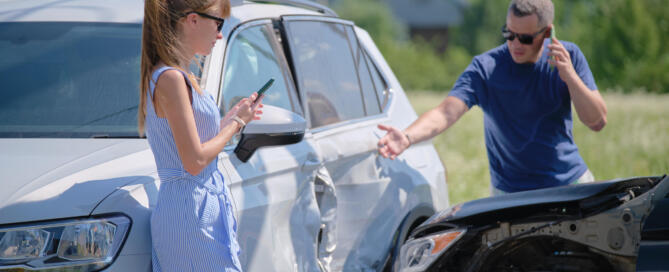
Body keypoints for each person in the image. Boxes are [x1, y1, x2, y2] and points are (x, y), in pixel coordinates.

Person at [377, 0, 607, 196]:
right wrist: (407, 137)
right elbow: (445, 113)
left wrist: (569, 76)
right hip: (510, 193)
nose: (515, 44)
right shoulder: (486, 68)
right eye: (509, 33)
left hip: (569, 184)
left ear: (547, 33)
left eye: (525, 38)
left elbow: (597, 122)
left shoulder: (569, 57)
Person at [138, 0, 263, 270]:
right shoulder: (170, 78)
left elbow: (193, 145)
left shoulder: (178, 76)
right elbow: (193, 161)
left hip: (196, 207)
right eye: (218, 23)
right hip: (189, 211)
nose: (220, 34)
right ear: (192, 20)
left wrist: (230, 119)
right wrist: (237, 123)